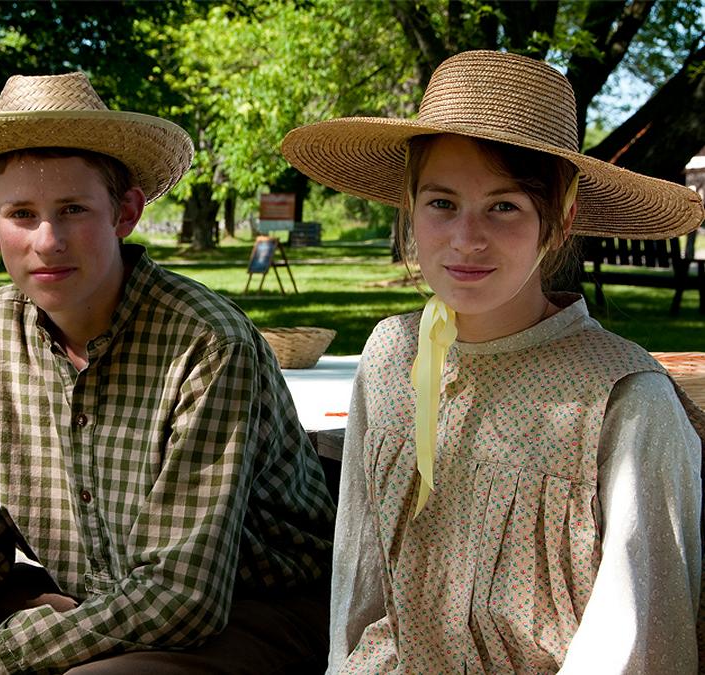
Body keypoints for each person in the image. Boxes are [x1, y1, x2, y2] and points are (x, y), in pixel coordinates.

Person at [0, 72, 336, 675]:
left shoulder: (206, 341)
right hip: (92, 594)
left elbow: (183, 595)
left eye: (73, 210)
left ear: (125, 212)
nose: (48, 240)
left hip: (253, 608)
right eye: (22, 213)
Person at [281, 50, 705, 673]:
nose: (466, 239)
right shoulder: (392, 356)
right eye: (442, 203)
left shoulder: (621, 400)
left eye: (504, 206)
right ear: (410, 208)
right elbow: (361, 574)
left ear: (558, 221)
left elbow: (636, 639)